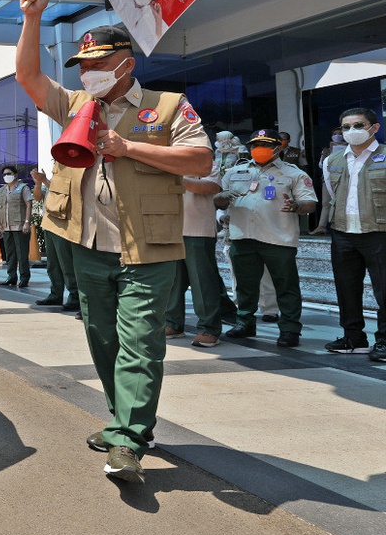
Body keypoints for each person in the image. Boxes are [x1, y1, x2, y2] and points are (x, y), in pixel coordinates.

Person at [17, 0, 213, 484]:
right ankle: (124, 420)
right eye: (83, 66)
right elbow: (30, 76)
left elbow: (199, 159)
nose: (88, 73)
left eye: (97, 63)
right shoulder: (78, 104)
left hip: (148, 249)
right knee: (101, 337)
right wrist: (32, 18)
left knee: (141, 342)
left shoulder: (168, 107)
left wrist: (128, 147)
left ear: (126, 62)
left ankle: (127, 440)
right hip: (88, 246)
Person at [215, 129, 317, 348]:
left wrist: (297, 206)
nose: (258, 149)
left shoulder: (294, 173)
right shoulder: (235, 172)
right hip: (242, 237)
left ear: (278, 148)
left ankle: (290, 329)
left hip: (278, 239)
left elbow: (310, 203)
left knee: (286, 287)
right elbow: (219, 200)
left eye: (265, 145)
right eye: (254, 145)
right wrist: (220, 198)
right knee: (245, 286)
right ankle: (245, 323)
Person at [321, 109, 386, 361]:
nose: (351, 131)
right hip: (343, 233)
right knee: (346, 289)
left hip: (379, 232)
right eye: (345, 127)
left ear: (374, 128)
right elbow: (332, 193)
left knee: (384, 291)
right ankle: (353, 338)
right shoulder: (332, 161)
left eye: (358, 125)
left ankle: (384, 341)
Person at [164, 160, 232, 347]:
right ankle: (172, 323)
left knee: (202, 281)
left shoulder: (205, 162)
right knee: (172, 281)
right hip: (170, 228)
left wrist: (177, 178)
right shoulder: (161, 158)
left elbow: (211, 187)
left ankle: (209, 328)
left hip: (197, 230)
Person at [31, 167, 80, 312]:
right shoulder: (51, 181)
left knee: (66, 264)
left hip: (62, 226)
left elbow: (62, 193)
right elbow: (37, 197)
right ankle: (55, 293)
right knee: (53, 264)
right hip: (48, 225)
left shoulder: (69, 179)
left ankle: (75, 296)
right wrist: (38, 183)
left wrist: (44, 180)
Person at [0, 165, 32, 288]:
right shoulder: (2, 190)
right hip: (6, 226)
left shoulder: (23, 188)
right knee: (10, 253)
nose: (6, 176)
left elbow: (28, 205)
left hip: (20, 226)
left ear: (15, 175)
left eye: (9, 173)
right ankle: (11, 276)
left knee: (22, 254)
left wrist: (27, 222)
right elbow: (0, 207)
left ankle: (24, 278)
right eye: (4, 174)